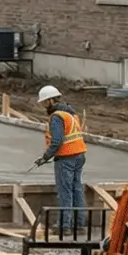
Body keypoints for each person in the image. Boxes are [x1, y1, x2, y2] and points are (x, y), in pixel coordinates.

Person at [35, 85, 88, 233]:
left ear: (51, 100)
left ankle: (64, 226)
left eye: (45, 102)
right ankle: (79, 225)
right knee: (77, 189)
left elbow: (57, 142)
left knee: (65, 192)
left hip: (66, 158)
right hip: (79, 155)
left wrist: (45, 157)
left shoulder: (57, 117)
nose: (44, 105)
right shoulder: (71, 114)